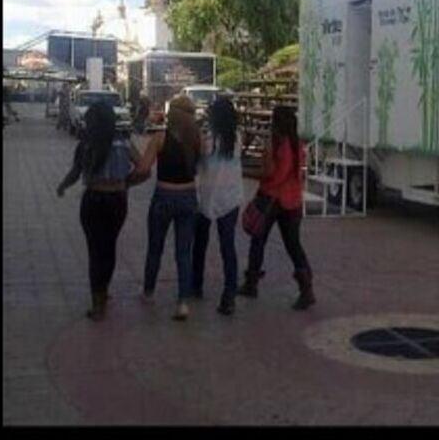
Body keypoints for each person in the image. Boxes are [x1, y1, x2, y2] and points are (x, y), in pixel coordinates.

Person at [56, 100, 145, 320]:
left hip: (93, 200)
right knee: (110, 247)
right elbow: (144, 168)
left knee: (95, 251)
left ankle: (98, 303)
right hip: (117, 200)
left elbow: (76, 172)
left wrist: (62, 186)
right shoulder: (124, 142)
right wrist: (125, 183)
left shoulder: (86, 143)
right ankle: (103, 291)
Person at [238, 105, 315, 310]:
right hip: (292, 201)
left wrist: (245, 172)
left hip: (271, 198)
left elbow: (269, 173)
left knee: (258, 240)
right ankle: (306, 287)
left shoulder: (274, 143)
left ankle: (251, 282)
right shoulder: (297, 144)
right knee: (293, 245)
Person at [135, 95, 202, 321]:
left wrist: (128, 178)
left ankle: (148, 291)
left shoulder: (159, 138)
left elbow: (144, 168)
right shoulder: (197, 140)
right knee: (184, 252)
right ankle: (183, 301)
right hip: (189, 195)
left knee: (155, 247)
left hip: (164, 195)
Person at [192, 97, 244, 316]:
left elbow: (197, 161)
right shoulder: (237, 138)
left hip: (206, 197)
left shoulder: (208, 139)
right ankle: (229, 293)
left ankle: (196, 285)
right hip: (231, 198)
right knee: (227, 247)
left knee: (200, 245)